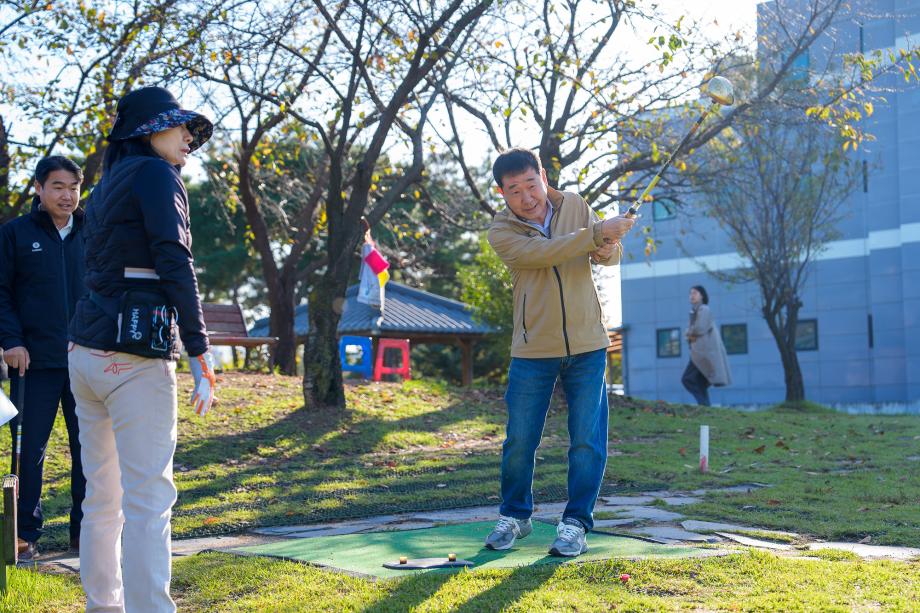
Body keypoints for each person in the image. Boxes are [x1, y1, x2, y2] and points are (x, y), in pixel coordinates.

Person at [68, 86, 217, 613]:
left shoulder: (107, 185)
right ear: (149, 130)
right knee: (149, 499)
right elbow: (174, 258)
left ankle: (102, 606)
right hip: (133, 357)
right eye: (177, 128)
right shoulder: (157, 175)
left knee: (101, 498)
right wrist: (199, 350)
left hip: (85, 354)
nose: (186, 140)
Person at [484, 147, 635, 557]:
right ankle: (515, 515)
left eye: (531, 184)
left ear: (543, 177)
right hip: (533, 350)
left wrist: (607, 243)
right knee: (519, 439)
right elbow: (542, 254)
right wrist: (595, 234)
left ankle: (575, 524)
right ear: (502, 193)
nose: (526, 196)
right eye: (514, 190)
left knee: (587, 440)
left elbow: (608, 256)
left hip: (588, 345)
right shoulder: (502, 232)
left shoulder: (576, 205)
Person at [0, 155, 88, 562]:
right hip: (32, 363)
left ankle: (85, 533)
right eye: (57, 186)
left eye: (73, 186)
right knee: (29, 449)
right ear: (38, 188)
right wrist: (11, 341)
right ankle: (24, 534)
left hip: (88, 361)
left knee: (89, 450)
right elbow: (1, 293)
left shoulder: (95, 233)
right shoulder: (15, 234)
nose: (66, 194)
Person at [682, 285, 732, 406]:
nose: (692, 295)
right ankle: (705, 407)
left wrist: (688, 332)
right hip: (698, 352)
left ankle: (703, 404)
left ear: (702, 296)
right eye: (690, 293)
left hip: (702, 354)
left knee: (687, 379)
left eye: (695, 293)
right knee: (699, 381)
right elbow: (691, 336)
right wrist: (689, 333)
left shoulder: (704, 309)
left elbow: (699, 329)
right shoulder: (694, 312)